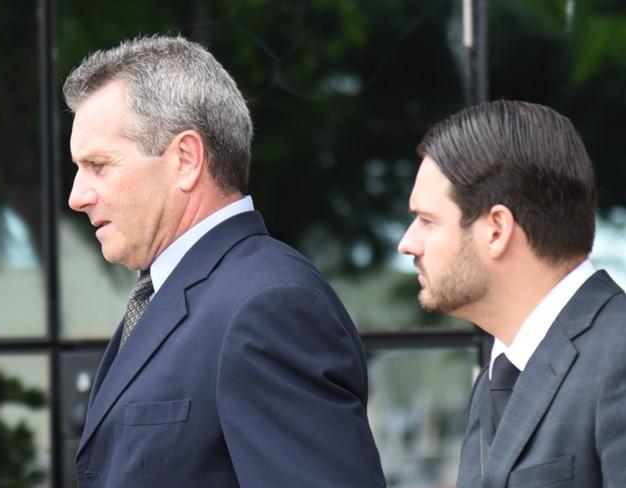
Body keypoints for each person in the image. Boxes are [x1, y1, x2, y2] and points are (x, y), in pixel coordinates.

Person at [64, 35, 386, 488]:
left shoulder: (269, 305)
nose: (78, 196)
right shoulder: (184, 295)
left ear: (186, 159)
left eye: (99, 165)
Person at [398, 100, 626, 487]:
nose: (408, 243)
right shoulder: (497, 376)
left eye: (427, 220)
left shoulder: (617, 354)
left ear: (497, 229)